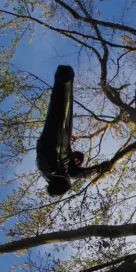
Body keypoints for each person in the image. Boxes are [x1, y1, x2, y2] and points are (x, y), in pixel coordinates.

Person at [36, 65, 94, 196]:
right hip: (51, 144)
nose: (77, 161)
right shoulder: (53, 171)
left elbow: (78, 173)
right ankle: (64, 79)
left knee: (61, 111)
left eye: (77, 161)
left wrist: (100, 169)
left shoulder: (62, 171)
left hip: (54, 146)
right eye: (78, 161)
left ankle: (65, 78)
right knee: (58, 112)